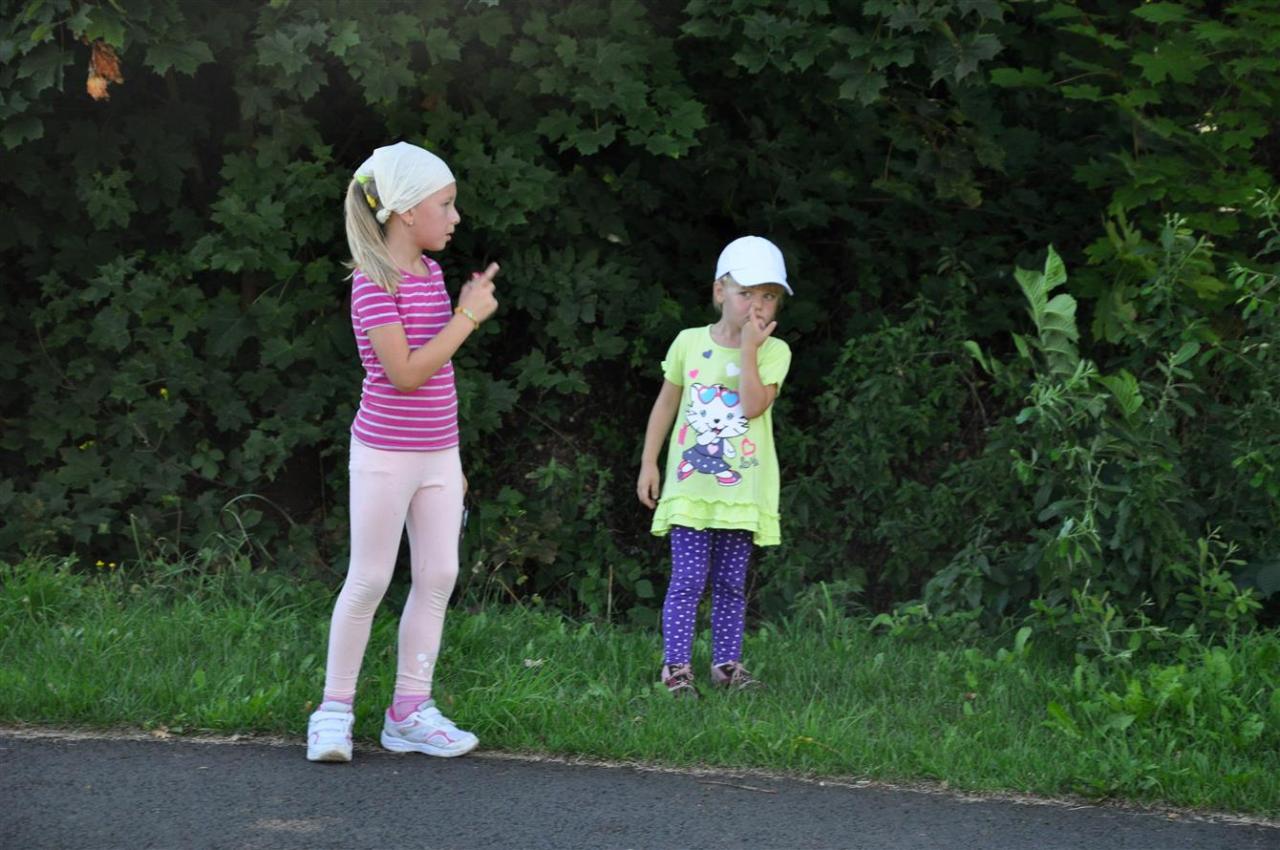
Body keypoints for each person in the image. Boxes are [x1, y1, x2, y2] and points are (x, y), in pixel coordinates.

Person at [306, 141, 499, 762]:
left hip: (438, 455)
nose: (456, 216)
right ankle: (334, 711)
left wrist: (453, 463)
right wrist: (468, 317)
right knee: (369, 579)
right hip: (385, 456)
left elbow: (440, 382)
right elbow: (407, 374)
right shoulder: (372, 283)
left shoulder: (431, 276)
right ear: (408, 211)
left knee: (439, 575)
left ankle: (409, 713)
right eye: (446, 204)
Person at [636, 236, 794, 698]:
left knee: (729, 583)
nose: (757, 305)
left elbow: (752, 406)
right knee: (687, 581)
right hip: (690, 489)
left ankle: (726, 667)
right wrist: (649, 462)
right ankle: (676, 669)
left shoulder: (774, 352)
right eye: (746, 293)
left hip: (740, 493)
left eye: (769, 296)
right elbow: (667, 404)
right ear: (719, 291)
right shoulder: (688, 343)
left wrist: (748, 350)